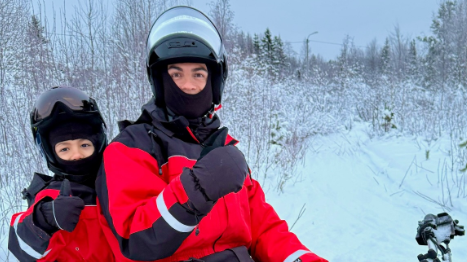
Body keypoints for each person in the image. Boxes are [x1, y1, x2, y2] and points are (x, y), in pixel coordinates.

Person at [96, 6, 328, 262]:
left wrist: (301, 258)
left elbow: (264, 228)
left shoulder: (225, 149)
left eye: (198, 73)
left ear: (214, 82)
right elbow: (135, 238)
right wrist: (197, 190)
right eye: (176, 74)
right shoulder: (131, 148)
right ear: (160, 80)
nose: (187, 85)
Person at [8, 87, 115, 261]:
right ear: (50, 153)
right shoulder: (50, 196)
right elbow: (20, 251)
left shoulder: (118, 182)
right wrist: (44, 220)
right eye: (64, 149)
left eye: (85, 145)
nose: (77, 155)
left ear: (99, 143)